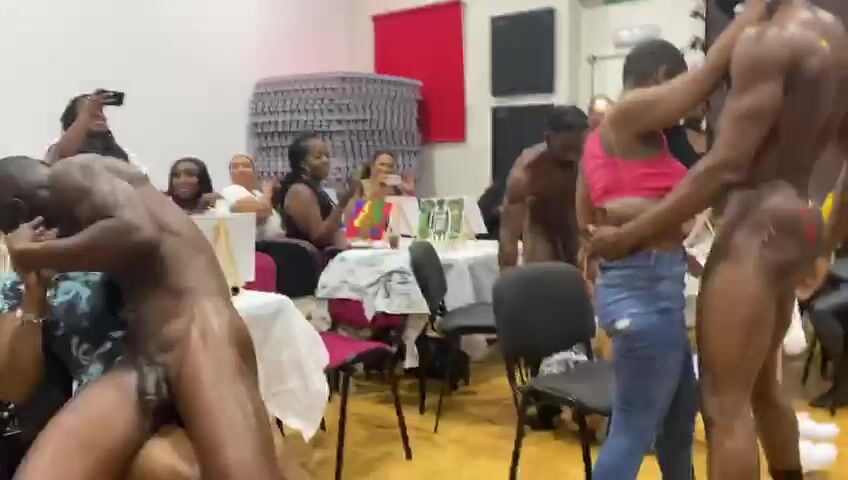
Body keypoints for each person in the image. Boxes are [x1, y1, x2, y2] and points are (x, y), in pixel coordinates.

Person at [589, 1, 848, 478]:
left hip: (756, 225)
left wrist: (630, 235)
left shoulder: (766, 42)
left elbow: (726, 165)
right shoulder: (836, 36)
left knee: (725, 404)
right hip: (799, 217)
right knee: (765, 389)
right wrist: (828, 237)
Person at [0, 154, 282, 479]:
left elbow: (137, 231)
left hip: (195, 329)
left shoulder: (71, 173)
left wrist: (30, 253)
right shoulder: (75, 227)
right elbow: (13, 386)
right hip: (142, 355)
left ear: (19, 212)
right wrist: (34, 286)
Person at [498, 106, 589, 271]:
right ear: (548, 138)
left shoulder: (592, 162)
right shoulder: (528, 170)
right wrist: (507, 273)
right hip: (543, 251)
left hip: (583, 249)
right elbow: (508, 233)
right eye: (566, 148)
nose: (572, 156)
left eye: (578, 148)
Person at [279, 133, 357, 250]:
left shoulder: (321, 192)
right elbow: (319, 238)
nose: (326, 161)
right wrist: (342, 204)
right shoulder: (300, 191)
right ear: (303, 164)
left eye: (327, 156)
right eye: (318, 157)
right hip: (311, 259)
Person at [46, 91, 129, 165]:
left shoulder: (116, 152)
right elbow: (64, 153)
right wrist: (87, 112)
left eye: (100, 111)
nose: (100, 115)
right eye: (92, 112)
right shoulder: (58, 149)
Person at [221, 155, 284, 240]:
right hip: (259, 244)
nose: (240, 169)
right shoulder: (232, 190)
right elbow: (263, 209)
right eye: (235, 167)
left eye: (246, 166)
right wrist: (268, 191)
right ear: (230, 173)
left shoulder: (257, 194)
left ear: (255, 172)